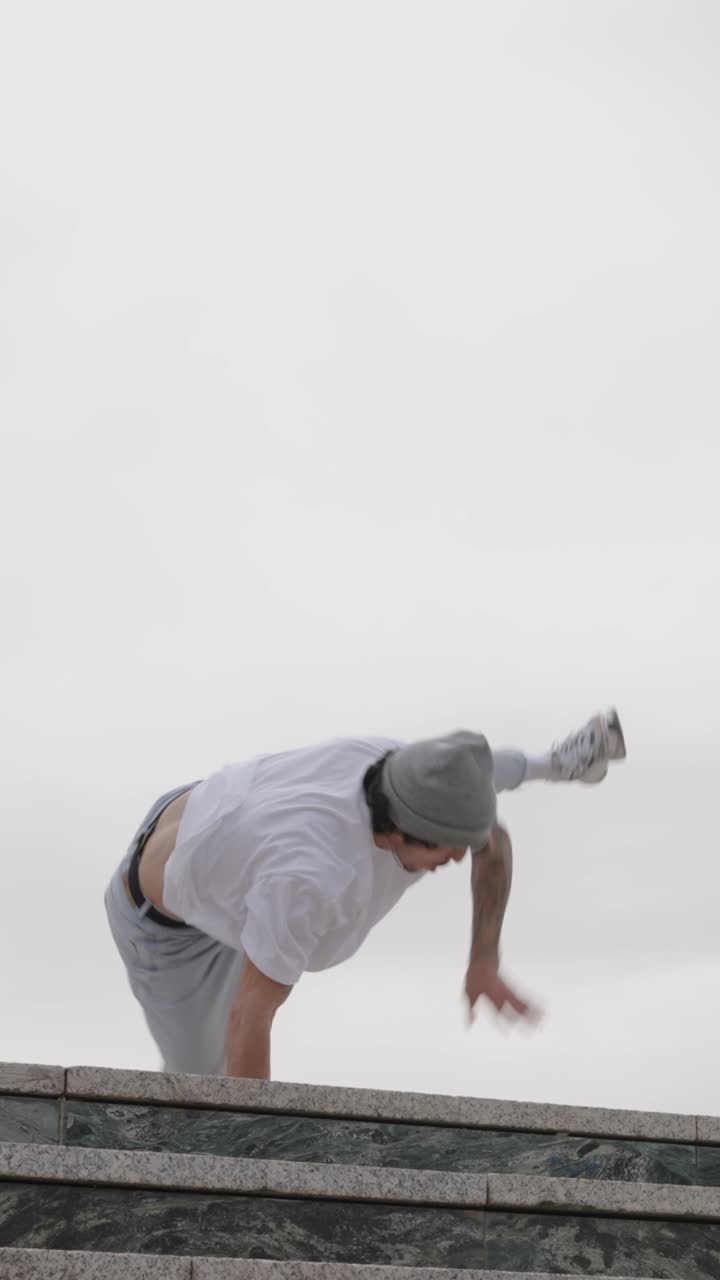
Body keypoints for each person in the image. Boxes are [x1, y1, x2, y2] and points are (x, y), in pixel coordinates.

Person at [105, 708, 626, 1080]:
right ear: (398, 835)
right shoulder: (309, 880)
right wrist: (252, 1164)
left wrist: (483, 961)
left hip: (230, 831)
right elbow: (251, 1016)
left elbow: (494, 844)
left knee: (486, 772)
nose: (460, 859)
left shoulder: (409, 770)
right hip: (163, 915)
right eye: (447, 852)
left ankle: (556, 762)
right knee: (199, 1079)